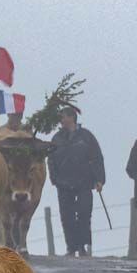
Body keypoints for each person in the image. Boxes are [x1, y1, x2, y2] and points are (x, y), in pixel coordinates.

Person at [48, 106, 104, 257]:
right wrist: (54, 178)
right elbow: (51, 159)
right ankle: (71, 247)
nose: (62, 120)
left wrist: (100, 180)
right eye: (61, 117)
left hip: (84, 182)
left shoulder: (86, 136)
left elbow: (97, 158)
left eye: (64, 117)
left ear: (72, 118)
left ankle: (82, 246)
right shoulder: (57, 138)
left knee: (84, 213)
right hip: (63, 183)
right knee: (67, 216)